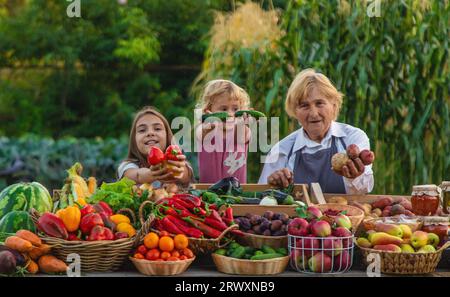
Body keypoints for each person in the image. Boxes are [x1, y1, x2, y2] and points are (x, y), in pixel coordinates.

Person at [258, 69, 374, 194]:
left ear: (334, 105)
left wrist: (354, 177)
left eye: (319, 103)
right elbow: (263, 199)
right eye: (304, 105)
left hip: (348, 213)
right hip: (298, 214)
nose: (313, 114)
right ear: (295, 111)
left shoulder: (352, 138)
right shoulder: (282, 150)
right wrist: (274, 187)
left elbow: (363, 190)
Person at [117, 106, 193, 187]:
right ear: (134, 140)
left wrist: (179, 171)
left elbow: (186, 175)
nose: (150, 133)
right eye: (142, 130)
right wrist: (153, 174)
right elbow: (136, 176)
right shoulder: (127, 166)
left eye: (157, 129)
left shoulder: (177, 162)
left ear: (167, 136)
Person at [195, 79, 252, 183]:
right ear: (209, 110)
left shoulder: (242, 130)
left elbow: (242, 135)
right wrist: (211, 123)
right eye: (224, 109)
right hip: (208, 193)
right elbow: (201, 133)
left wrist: (243, 122)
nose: (230, 114)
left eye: (235, 109)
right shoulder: (204, 130)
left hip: (237, 194)